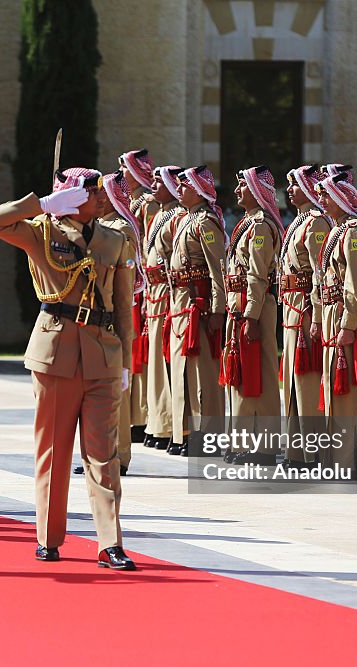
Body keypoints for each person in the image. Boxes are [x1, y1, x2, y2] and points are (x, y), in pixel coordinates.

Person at [0, 167, 137, 570]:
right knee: (52, 450)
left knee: (102, 454)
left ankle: (110, 543)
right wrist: (42, 205)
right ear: (71, 197)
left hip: (103, 354)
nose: (101, 197)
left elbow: (124, 307)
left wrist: (127, 359)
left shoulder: (114, 239)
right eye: (92, 191)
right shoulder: (42, 231)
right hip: (56, 353)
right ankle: (49, 538)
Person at [221, 167, 281, 466]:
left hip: (253, 306)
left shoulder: (259, 227)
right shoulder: (246, 223)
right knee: (241, 375)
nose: (236, 190)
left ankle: (265, 446)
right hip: (240, 305)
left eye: (242, 185)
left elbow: (258, 275)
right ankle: (242, 440)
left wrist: (251, 316)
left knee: (263, 376)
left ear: (256, 190)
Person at [314, 172, 357, 477]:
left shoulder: (353, 232)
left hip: (344, 316)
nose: (321, 201)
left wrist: (348, 324)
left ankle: (351, 459)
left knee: (346, 389)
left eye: (325, 195)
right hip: (330, 314)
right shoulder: (338, 230)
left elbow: (355, 283)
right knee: (334, 387)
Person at [88, 170, 145, 475]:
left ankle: (119, 454)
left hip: (113, 314)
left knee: (117, 391)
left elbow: (127, 279)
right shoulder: (96, 226)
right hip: (91, 316)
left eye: (101, 194)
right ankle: (97, 451)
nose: (96, 198)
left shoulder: (121, 229)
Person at [168, 166, 226, 453]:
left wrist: (218, 309)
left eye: (183, 186)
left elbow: (217, 270)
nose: (178, 190)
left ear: (197, 190)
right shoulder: (187, 220)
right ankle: (190, 433)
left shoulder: (205, 222)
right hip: (181, 302)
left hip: (199, 305)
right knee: (186, 373)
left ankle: (210, 435)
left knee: (204, 374)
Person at [279, 165, 331, 468]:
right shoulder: (300, 221)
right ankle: (296, 450)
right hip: (292, 306)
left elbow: (319, 274)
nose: (290, 191)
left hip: (306, 308)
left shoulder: (315, 224)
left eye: (295, 185)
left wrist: (316, 314)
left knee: (307, 384)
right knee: (294, 383)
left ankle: (311, 450)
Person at [141, 166, 184, 453]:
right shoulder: (160, 214)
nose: (154, 185)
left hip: (169, 295)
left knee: (169, 365)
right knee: (156, 364)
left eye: (160, 181)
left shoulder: (177, 217)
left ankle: (171, 426)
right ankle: (158, 423)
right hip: (154, 294)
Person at [119, 150, 158, 447]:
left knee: (138, 353)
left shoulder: (147, 204)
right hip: (130, 283)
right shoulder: (125, 202)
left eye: (124, 168)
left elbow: (149, 248)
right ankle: (131, 417)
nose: (121, 173)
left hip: (142, 285)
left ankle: (139, 417)